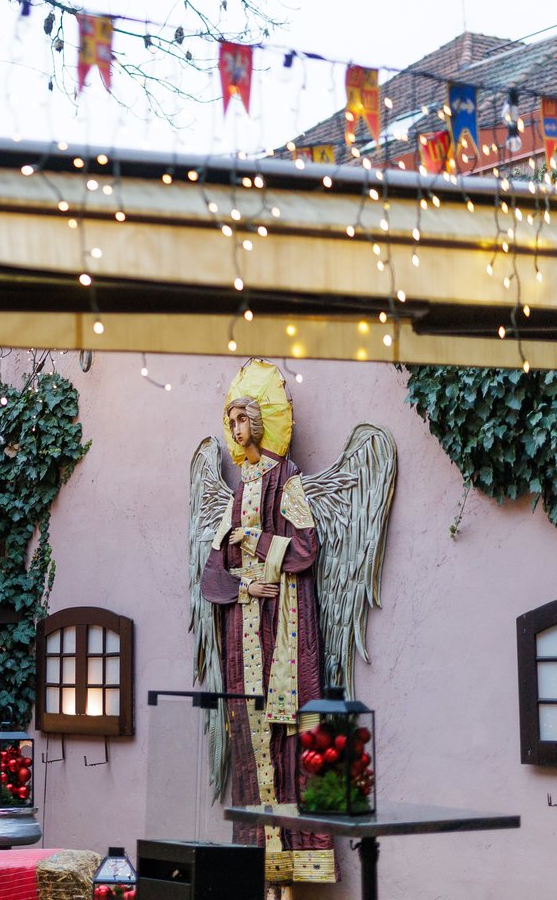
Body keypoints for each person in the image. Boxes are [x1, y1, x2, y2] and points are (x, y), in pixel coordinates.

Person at [201, 377, 333, 890]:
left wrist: (256, 540)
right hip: (244, 632)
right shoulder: (237, 493)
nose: (236, 429)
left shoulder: (288, 481)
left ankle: (291, 874)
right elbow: (213, 576)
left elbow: (306, 550)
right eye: (230, 420)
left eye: (243, 419)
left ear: (259, 423)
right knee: (251, 748)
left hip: (282, 633)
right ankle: (260, 874)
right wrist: (245, 588)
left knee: (287, 745)